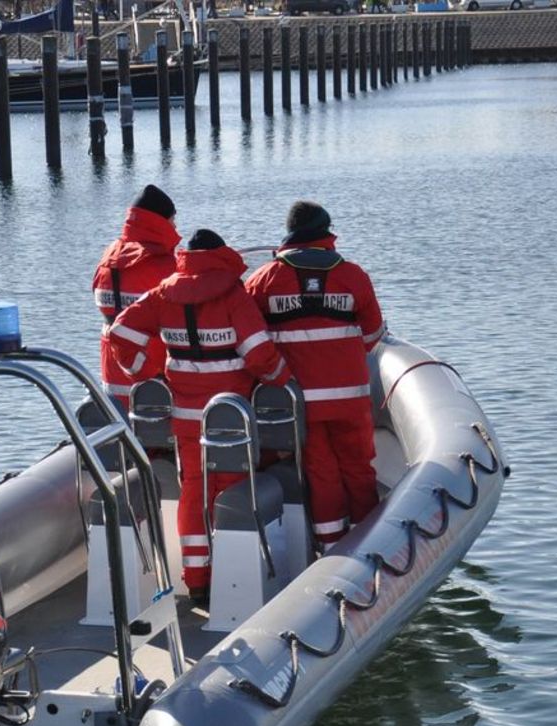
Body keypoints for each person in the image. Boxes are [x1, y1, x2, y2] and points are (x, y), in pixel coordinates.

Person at [107, 228, 290, 602]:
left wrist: (145, 372)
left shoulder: (163, 292)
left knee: (195, 488)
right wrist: (281, 378)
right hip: (230, 414)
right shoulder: (233, 294)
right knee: (235, 486)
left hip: (186, 415)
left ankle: (197, 579)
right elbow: (258, 354)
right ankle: (237, 577)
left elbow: (120, 333)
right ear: (220, 254)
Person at [243, 200, 387, 551]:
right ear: (326, 231)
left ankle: (331, 549)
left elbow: (250, 337)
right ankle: (370, 545)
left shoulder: (264, 279)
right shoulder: (353, 275)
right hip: (350, 398)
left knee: (321, 474)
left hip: (301, 402)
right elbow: (373, 336)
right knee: (359, 469)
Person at [92, 184, 180, 416]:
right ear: (161, 222)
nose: (176, 227)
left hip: (112, 379)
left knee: (122, 443)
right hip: (154, 381)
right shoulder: (165, 266)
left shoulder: (107, 259)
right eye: (173, 221)